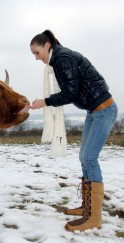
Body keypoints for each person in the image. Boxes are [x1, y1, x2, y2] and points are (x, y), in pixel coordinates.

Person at [29, 30, 118, 232]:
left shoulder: (62, 59)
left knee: (89, 158)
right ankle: (87, 207)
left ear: (47, 45)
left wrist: (45, 102)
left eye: (36, 52)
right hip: (94, 111)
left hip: (104, 110)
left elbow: (71, 93)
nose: (36, 57)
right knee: (84, 157)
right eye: (33, 54)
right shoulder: (59, 58)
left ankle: (94, 217)